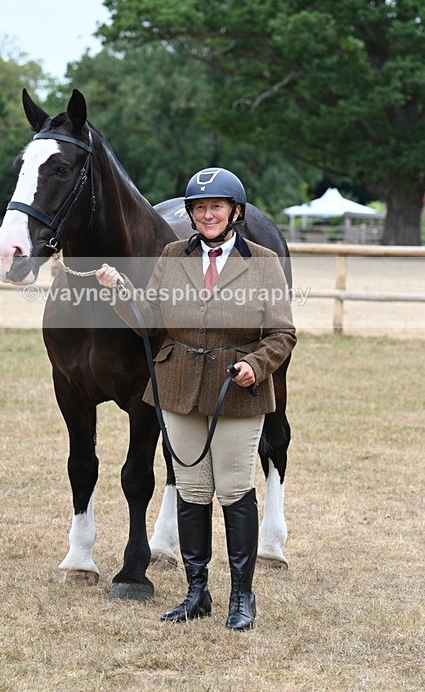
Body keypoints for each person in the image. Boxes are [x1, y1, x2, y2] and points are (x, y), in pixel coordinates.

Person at [96, 167, 296, 631]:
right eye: (200, 208)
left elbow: (283, 332)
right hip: (179, 385)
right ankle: (196, 592)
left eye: (216, 207)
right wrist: (120, 291)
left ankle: (242, 598)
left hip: (237, 387)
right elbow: (150, 319)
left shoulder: (263, 261)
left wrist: (257, 364)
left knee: (232, 489)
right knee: (191, 489)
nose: (207, 215)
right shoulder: (172, 255)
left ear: (235, 213)